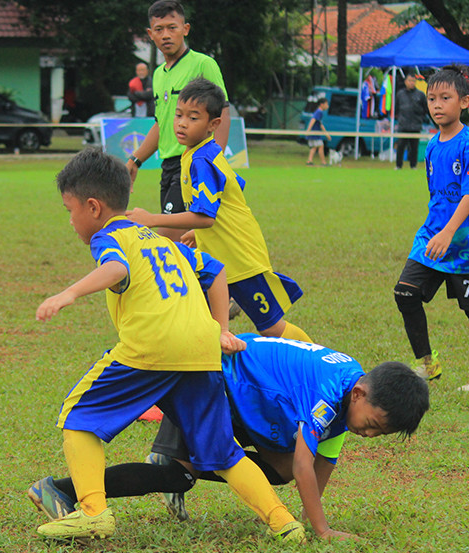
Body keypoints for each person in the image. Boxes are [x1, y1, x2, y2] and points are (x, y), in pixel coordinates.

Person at [33, 147, 304, 544]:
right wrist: (221, 329)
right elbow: (215, 270)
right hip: (201, 350)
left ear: (93, 207)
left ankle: (93, 512)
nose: (70, 220)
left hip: (152, 346)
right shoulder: (160, 240)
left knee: (77, 417)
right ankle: (284, 523)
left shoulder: (111, 237)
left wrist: (68, 294)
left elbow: (116, 269)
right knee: (223, 451)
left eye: (68, 210)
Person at [29, 334, 431, 541]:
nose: (369, 433)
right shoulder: (331, 392)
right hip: (215, 379)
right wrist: (323, 532)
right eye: (374, 423)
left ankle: (172, 455)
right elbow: (307, 461)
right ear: (360, 394)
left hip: (242, 396)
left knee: (281, 468)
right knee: (180, 475)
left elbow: (322, 461)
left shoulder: (350, 392)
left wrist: (312, 520)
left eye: (380, 433)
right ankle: (60, 490)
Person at [128, 78, 312, 343]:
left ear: (213, 125)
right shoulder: (202, 153)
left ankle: (321, 362)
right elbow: (231, 190)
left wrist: (152, 218)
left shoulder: (201, 159)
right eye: (178, 115)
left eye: (193, 118)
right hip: (221, 258)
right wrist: (196, 232)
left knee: (271, 328)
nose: (181, 123)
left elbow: (206, 215)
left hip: (240, 259)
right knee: (204, 317)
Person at [393, 64, 469, 392]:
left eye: (445, 97)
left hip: (467, 244)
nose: (437, 105)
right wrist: (436, 231)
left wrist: (448, 233)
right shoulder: (431, 146)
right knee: (405, 292)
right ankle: (427, 363)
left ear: (465, 102)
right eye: (431, 98)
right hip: (433, 235)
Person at [125, 1, 230, 240]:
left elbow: (222, 114)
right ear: (150, 35)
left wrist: (214, 163)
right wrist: (135, 159)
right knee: (187, 245)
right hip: (169, 167)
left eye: (172, 27)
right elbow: (161, 124)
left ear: (186, 28)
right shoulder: (159, 74)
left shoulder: (204, 64)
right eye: (159, 29)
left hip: (193, 163)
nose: (166, 35)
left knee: (167, 238)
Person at [393, 73, 429, 170]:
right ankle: (398, 165)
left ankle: (413, 166)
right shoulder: (400, 94)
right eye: (410, 81)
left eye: (413, 81)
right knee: (400, 146)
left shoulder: (420, 95)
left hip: (415, 125)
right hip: (403, 125)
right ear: (405, 82)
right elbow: (396, 109)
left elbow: (426, 109)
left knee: (414, 148)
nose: (411, 83)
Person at [304, 97, 330, 166]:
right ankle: (323, 162)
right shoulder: (319, 112)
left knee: (314, 147)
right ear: (322, 104)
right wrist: (308, 130)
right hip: (314, 133)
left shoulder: (319, 112)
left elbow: (320, 124)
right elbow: (313, 120)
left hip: (315, 133)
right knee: (321, 146)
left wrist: (326, 134)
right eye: (326, 104)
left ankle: (309, 161)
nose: (327, 106)